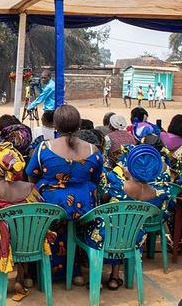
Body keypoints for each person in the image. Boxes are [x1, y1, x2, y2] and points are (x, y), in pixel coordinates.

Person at [26, 104, 104, 283]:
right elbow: (96, 180)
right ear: (78, 126)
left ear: (55, 126)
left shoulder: (44, 148)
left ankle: (35, 272)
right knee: (75, 228)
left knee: (39, 219)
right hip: (84, 206)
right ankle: (76, 272)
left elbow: (32, 176)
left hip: (50, 205)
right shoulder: (94, 150)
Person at [91, 144, 171, 290]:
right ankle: (115, 277)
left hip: (105, 235)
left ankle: (95, 277)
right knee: (124, 231)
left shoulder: (117, 186)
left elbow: (102, 199)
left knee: (103, 229)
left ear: (130, 168)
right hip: (135, 237)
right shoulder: (157, 194)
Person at [0, 143, 44, 301]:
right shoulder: (30, 187)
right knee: (20, 229)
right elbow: (38, 209)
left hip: (3, 243)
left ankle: (0, 280)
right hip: (28, 242)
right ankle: (21, 277)